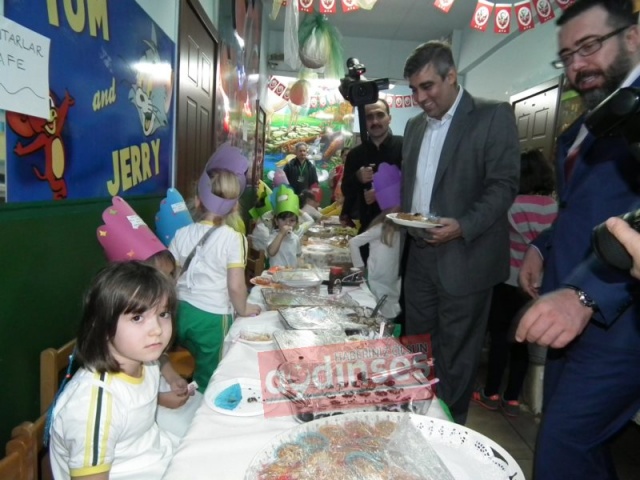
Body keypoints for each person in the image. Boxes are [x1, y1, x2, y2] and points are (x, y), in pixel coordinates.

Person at [513, 1, 640, 477]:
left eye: (589, 47)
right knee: (580, 447)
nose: (577, 65)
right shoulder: (583, 127)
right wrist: (542, 246)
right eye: (566, 56)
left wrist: (586, 293)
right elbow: (582, 211)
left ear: (632, 37)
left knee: (561, 445)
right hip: (567, 310)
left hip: (621, 322)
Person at [401, 40, 520, 424]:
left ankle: (449, 433)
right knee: (416, 346)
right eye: (414, 89)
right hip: (419, 255)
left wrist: (463, 226)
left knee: (456, 356)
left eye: (428, 86)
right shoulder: (414, 126)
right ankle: (416, 420)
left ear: (451, 76)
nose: (420, 98)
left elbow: (503, 185)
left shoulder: (491, 115)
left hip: (466, 257)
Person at [48, 261, 179, 480]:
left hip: (154, 454)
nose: (157, 330)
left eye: (163, 314)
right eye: (137, 318)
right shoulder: (92, 406)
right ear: (103, 325)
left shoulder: (145, 360)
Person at [96, 195, 201, 438]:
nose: (170, 285)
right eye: (161, 278)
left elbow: (157, 358)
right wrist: (160, 400)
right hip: (140, 415)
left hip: (153, 388)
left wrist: (172, 376)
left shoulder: (147, 333)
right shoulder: (117, 340)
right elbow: (123, 400)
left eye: (171, 276)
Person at [170, 144, 261, 392]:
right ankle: (202, 406)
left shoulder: (181, 233)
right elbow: (235, 285)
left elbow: (171, 276)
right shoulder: (233, 239)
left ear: (197, 201)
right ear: (234, 206)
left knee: (185, 362)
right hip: (212, 318)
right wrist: (243, 309)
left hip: (180, 313)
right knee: (211, 376)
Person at [473, 150, 557, 417]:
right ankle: (511, 399)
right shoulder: (555, 208)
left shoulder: (511, 205)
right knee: (524, 340)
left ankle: (491, 393)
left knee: (500, 338)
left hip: (508, 279)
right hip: (539, 284)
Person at [348, 163, 403, 320]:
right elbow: (354, 242)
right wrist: (359, 267)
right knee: (377, 312)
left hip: (392, 279)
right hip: (377, 279)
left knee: (389, 311)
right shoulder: (381, 227)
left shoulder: (403, 227)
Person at [340, 100, 403, 235]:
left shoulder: (404, 146)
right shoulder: (355, 154)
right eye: (369, 117)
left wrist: (383, 194)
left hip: (400, 229)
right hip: (367, 228)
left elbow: (415, 185)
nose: (375, 121)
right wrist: (357, 178)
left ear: (389, 118)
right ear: (363, 122)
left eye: (380, 115)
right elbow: (346, 190)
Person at [266, 184, 302, 268]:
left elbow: (298, 256)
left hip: (291, 273)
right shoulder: (273, 236)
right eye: (283, 219)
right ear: (276, 221)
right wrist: (281, 234)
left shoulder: (295, 238)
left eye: (292, 221)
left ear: (296, 223)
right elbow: (271, 252)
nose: (287, 223)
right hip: (275, 273)